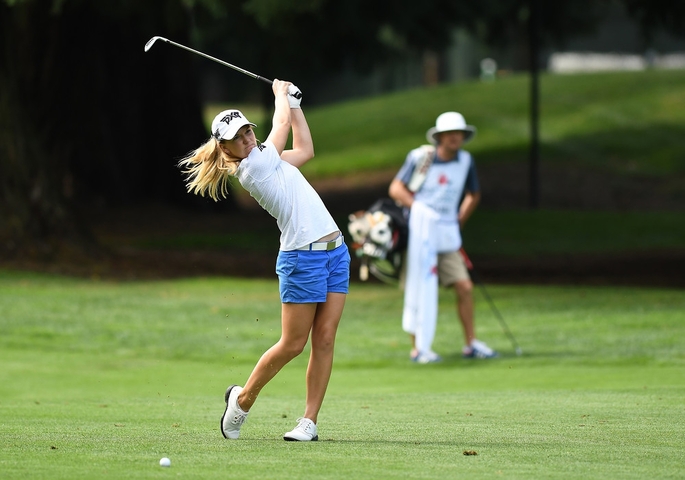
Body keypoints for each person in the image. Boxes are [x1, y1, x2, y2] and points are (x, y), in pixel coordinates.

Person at [178, 79, 350, 441]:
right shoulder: (253, 168)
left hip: (336, 253)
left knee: (325, 339)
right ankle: (241, 401)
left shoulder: (268, 160)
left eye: (247, 131)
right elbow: (282, 126)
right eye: (238, 137)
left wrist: (296, 104)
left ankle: (309, 422)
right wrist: (280, 95)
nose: (247, 139)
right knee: (293, 344)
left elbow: (305, 148)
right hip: (302, 258)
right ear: (225, 147)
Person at [388, 111, 497, 363]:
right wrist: (419, 209)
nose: (454, 138)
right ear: (440, 137)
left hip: (446, 236)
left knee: (464, 286)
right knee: (419, 288)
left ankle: (471, 343)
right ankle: (418, 349)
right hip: (419, 234)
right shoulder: (421, 157)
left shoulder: (466, 161)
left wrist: (458, 221)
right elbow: (396, 188)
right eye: (449, 134)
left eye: (458, 133)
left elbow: (473, 194)